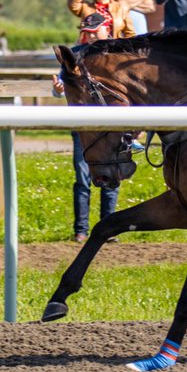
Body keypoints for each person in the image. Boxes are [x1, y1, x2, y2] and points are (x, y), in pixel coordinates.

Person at [53, 13, 120, 241]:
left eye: (95, 31)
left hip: (112, 125)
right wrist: (58, 89)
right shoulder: (74, 54)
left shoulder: (118, 54)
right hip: (83, 126)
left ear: (106, 29)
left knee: (112, 176)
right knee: (83, 177)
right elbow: (60, 85)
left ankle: (108, 228)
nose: (90, 35)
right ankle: (81, 230)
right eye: (88, 32)